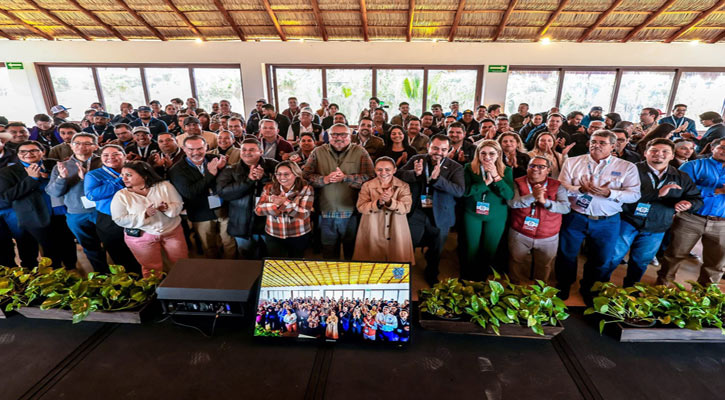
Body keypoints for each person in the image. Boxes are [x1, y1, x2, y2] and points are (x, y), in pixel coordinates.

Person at [600, 139, 702, 287]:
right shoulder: (630, 170)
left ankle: (630, 291)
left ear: (672, 156)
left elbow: (696, 199)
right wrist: (657, 193)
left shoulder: (680, 177)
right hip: (627, 221)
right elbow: (619, 194)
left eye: (665, 152)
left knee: (641, 262)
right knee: (612, 257)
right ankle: (599, 287)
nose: (659, 155)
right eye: (654, 151)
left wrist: (688, 204)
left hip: (657, 226)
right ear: (645, 153)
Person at [556, 130, 641, 301]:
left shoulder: (626, 167)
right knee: (567, 254)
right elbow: (561, 187)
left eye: (602, 142)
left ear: (613, 146)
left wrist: (609, 192)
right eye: (594, 141)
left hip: (607, 221)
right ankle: (564, 285)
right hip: (576, 216)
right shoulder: (573, 162)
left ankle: (590, 288)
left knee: (601, 258)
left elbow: (634, 195)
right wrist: (579, 189)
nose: (596, 145)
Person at [396, 134, 464, 285]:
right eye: (435, 148)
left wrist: (438, 180)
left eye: (443, 149)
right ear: (428, 146)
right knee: (407, 245)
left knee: (436, 248)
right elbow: (399, 175)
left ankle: (432, 273)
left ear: (448, 150)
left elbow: (459, 190)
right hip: (417, 211)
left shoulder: (456, 167)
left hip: (441, 214)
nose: (438, 152)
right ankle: (401, 276)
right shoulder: (417, 159)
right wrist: (415, 174)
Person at [657, 138, 725, 286]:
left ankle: (704, 294)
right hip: (690, 218)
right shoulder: (694, 165)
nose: (724, 151)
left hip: (722, 223)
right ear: (713, 148)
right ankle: (663, 287)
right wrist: (717, 190)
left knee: (716, 262)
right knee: (674, 255)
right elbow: (679, 188)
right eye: (721, 147)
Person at [0, 140, 76, 269]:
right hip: (32, 216)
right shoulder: (7, 172)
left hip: (60, 213)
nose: (28, 154)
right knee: (32, 252)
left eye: (33, 150)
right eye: (23, 152)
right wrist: (32, 179)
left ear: (42, 152)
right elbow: (5, 198)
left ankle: (71, 269)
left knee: (67, 244)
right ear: (17, 154)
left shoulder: (53, 164)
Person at [303, 123, 374, 259]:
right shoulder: (318, 152)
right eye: (334, 134)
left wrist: (346, 178)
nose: (338, 138)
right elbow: (305, 177)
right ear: (328, 136)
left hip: (351, 211)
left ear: (351, 136)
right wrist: (324, 179)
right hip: (325, 211)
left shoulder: (360, 152)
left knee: (351, 249)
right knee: (328, 250)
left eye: (343, 134)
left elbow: (370, 178)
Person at [111, 161, 187, 277]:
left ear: (144, 176)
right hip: (142, 236)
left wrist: (166, 208)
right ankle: (154, 291)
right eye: (123, 175)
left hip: (171, 231)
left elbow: (178, 204)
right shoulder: (121, 196)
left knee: (181, 262)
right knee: (151, 268)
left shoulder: (164, 186)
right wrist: (144, 215)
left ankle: (183, 286)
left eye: (129, 175)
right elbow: (119, 219)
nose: (124, 178)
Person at [46, 132, 108, 272]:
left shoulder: (104, 162)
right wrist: (62, 178)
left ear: (95, 146)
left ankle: (125, 278)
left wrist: (87, 179)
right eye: (77, 143)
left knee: (114, 243)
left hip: (103, 210)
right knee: (90, 246)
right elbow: (53, 192)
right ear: (71, 147)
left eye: (87, 143)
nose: (82, 147)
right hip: (77, 212)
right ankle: (103, 276)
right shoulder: (61, 166)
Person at [168, 136, 236, 259]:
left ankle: (231, 269)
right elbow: (190, 193)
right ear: (183, 149)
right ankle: (214, 271)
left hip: (223, 209)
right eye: (191, 149)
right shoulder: (177, 170)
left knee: (229, 243)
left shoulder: (215, 159)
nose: (196, 152)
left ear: (206, 147)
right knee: (209, 247)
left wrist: (222, 169)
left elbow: (228, 181)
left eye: (200, 148)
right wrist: (210, 174)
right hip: (201, 213)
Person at [507, 156, 570, 284]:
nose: (535, 169)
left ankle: (540, 291)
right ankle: (514, 288)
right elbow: (512, 203)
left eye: (541, 166)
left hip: (548, 235)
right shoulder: (517, 182)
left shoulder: (557, 185)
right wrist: (533, 196)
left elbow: (565, 208)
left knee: (544, 265)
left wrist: (544, 202)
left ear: (548, 170)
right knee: (515, 261)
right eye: (532, 166)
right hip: (520, 232)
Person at [84, 145, 142, 274]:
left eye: (116, 154)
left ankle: (148, 279)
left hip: (138, 215)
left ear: (124, 156)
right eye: (105, 155)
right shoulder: (94, 175)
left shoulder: (137, 170)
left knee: (142, 248)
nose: (110, 158)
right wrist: (120, 181)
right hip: (109, 219)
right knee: (119, 252)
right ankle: (130, 282)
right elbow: (92, 195)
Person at [462, 140, 514, 281]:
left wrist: (496, 177)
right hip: (472, 213)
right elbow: (465, 192)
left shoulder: (507, 170)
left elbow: (509, 195)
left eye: (491, 153)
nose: (487, 157)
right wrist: (485, 183)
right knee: (471, 248)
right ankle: (467, 277)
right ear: (478, 154)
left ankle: (482, 277)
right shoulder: (468, 168)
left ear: (498, 154)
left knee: (489, 248)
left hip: (496, 215)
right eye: (483, 153)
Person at [217, 138, 277, 258]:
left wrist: (264, 178)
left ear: (260, 151)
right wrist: (249, 180)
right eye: (243, 149)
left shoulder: (274, 165)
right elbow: (224, 193)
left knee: (271, 257)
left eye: (251, 150)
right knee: (246, 257)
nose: (247, 152)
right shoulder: (231, 170)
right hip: (242, 222)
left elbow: (285, 187)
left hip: (269, 222)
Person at [353, 156, 414, 263]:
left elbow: (406, 208)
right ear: (375, 170)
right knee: (372, 264)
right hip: (372, 228)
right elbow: (361, 207)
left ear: (394, 170)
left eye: (387, 170)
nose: (383, 173)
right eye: (379, 170)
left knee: (397, 263)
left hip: (396, 228)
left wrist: (390, 201)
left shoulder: (403, 186)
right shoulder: (367, 186)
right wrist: (379, 202)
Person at [254, 161, 314, 257]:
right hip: (274, 233)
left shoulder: (306, 189)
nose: (282, 177)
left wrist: (282, 203)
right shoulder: (268, 188)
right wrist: (284, 205)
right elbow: (258, 210)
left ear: (296, 174)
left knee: (296, 264)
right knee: (276, 264)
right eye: (279, 174)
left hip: (298, 233)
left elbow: (304, 214)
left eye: (286, 174)